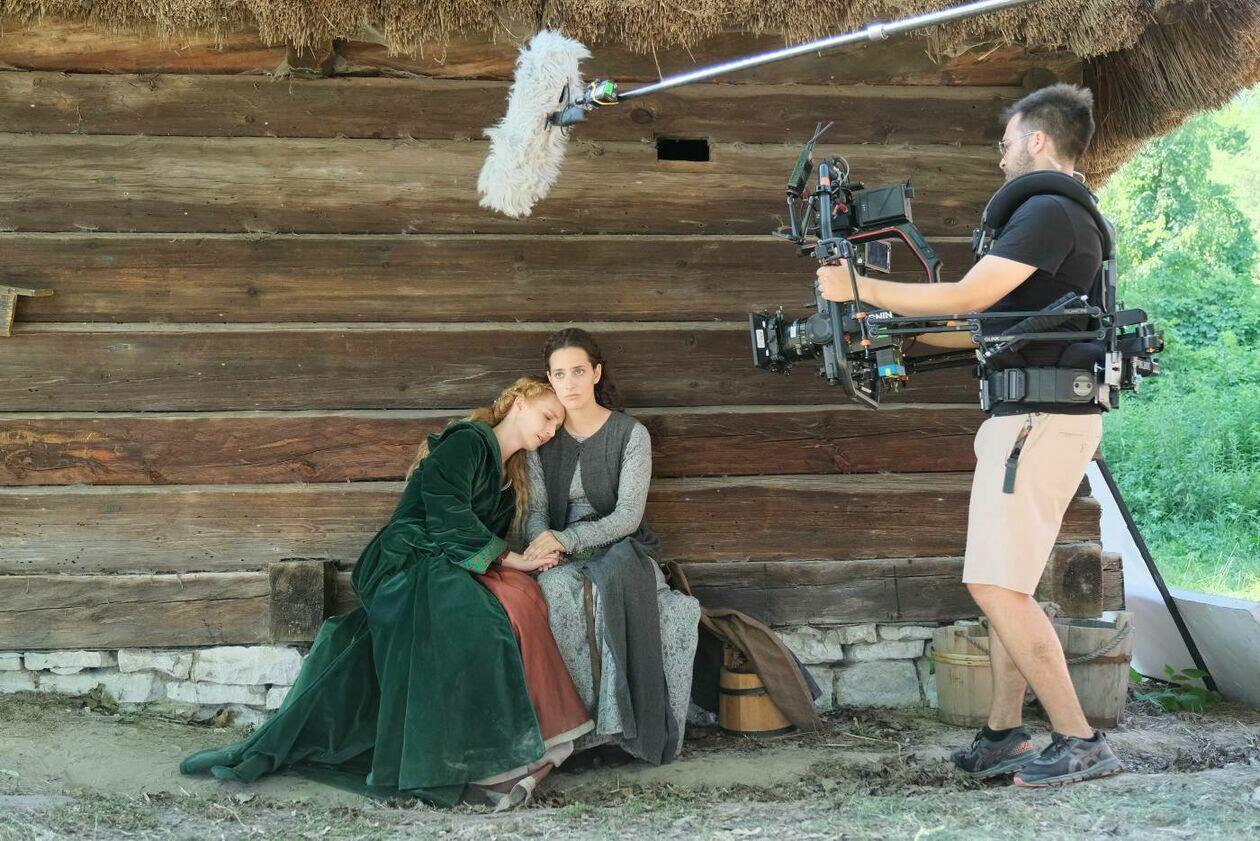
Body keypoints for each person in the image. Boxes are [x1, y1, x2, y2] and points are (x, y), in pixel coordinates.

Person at [816, 83, 1122, 787]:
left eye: (1007, 141)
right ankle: (1004, 733)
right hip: (1034, 421)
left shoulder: (1048, 211)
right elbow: (980, 326)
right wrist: (891, 333)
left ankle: (1080, 740)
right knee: (1007, 584)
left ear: (1037, 140)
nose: (1002, 155)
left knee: (994, 586)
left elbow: (968, 296)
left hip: (1036, 424)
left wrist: (858, 287)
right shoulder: (1055, 217)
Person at [180, 377, 593, 809]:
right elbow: (447, 514)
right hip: (408, 556)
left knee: (511, 602)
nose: (551, 431)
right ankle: (454, 762)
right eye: (548, 417)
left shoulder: (511, 478)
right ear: (520, 403)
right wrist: (511, 558)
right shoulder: (469, 441)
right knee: (476, 620)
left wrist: (525, 559)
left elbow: (476, 537)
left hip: (447, 562)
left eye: (557, 426)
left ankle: (498, 752)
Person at [523, 328, 701, 764]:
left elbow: (627, 517)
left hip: (621, 547)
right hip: (561, 553)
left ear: (597, 373)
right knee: (555, 592)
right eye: (559, 374)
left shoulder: (630, 434)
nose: (569, 383)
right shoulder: (542, 436)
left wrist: (567, 538)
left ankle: (619, 731)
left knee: (612, 591)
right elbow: (536, 510)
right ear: (549, 379)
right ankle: (574, 736)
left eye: (578, 371)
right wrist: (543, 546)